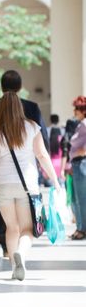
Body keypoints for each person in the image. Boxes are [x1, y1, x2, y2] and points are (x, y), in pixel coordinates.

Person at [0, 92, 60, 281]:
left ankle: (13, 266)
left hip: (3, 183)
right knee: (27, 229)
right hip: (27, 185)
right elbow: (42, 155)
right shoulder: (32, 127)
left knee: (11, 227)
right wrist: (55, 180)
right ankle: (21, 254)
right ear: (20, 107)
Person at [0, 70, 49, 257]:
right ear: (21, 87)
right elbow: (42, 144)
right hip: (26, 175)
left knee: (7, 219)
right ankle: (17, 254)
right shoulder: (31, 108)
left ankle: (7, 249)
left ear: (1, 85)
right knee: (26, 225)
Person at [68, 96, 86, 240]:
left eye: (77, 108)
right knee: (77, 198)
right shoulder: (80, 124)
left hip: (81, 163)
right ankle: (80, 227)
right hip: (77, 163)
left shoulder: (84, 124)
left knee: (81, 199)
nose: (74, 111)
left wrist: (81, 151)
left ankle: (82, 229)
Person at [46, 114, 65, 183]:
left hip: (50, 154)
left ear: (50, 120)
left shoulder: (47, 130)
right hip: (60, 155)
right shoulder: (62, 130)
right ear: (58, 120)